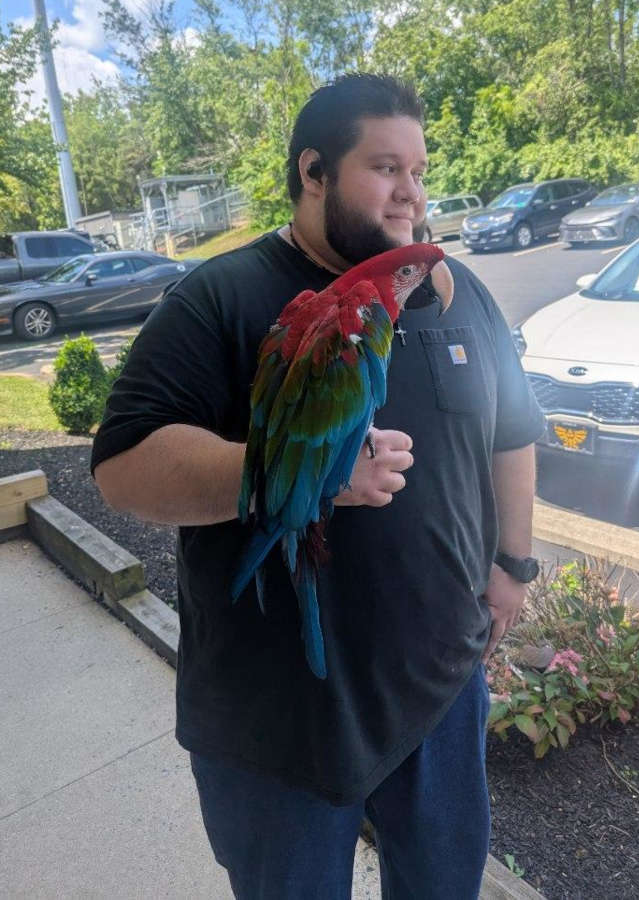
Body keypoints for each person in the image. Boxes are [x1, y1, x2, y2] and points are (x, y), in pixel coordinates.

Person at [91, 73, 545, 899]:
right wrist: (304, 474)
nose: (411, 194)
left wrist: (512, 564)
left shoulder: (456, 290)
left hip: (440, 687)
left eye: (418, 170)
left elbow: (511, 430)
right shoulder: (218, 297)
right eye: (384, 168)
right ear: (313, 171)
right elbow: (124, 469)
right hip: (274, 719)